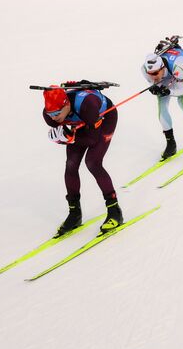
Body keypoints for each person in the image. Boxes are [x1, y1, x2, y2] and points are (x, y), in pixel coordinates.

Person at [41, 83, 123, 236]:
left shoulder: (88, 103)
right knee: (71, 165)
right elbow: (63, 125)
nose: (54, 118)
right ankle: (75, 214)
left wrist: (67, 139)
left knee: (93, 162)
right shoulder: (50, 116)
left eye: (57, 113)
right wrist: (66, 137)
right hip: (81, 122)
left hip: (103, 118)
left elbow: (92, 139)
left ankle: (114, 211)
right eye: (50, 114)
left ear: (66, 104)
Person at [141, 36, 183, 161]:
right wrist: (155, 87)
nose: (152, 77)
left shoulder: (178, 67)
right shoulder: (145, 70)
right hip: (167, 73)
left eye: (155, 73)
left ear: (162, 68)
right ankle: (171, 144)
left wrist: (168, 90)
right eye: (150, 74)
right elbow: (154, 80)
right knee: (162, 107)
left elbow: (181, 90)